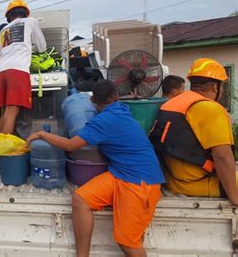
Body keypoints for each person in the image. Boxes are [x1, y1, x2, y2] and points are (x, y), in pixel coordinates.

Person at [27, 80, 164, 257]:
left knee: (128, 242)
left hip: (140, 181)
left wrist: (42, 133)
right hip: (120, 173)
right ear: (115, 96)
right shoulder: (121, 109)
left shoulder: (103, 122)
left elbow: (70, 145)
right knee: (80, 199)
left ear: (93, 101)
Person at [150, 58, 237, 205]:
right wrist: (235, 198)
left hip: (173, 181)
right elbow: (223, 157)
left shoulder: (172, 103)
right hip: (199, 184)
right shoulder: (211, 109)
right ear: (216, 87)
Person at [0, 0, 46, 134]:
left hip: (0, 71)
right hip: (17, 70)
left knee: (5, 112)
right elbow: (42, 47)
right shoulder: (30, 21)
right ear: (25, 13)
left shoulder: (3, 30)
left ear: (9, 16)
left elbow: (2, 52)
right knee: (12, 112)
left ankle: (0, 146)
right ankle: (6, 151)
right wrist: (30, 47)